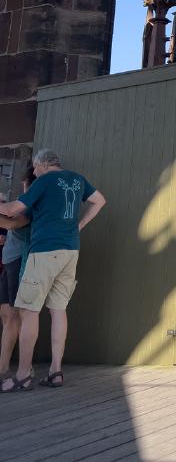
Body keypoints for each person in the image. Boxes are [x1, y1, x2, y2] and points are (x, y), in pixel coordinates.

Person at [0, 149, 106, 392]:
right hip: (70, 251)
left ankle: (23, 375)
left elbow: (12, 210)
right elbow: (100, 200)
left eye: (35, 167)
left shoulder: (45, 180)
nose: (34, 172)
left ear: (44, 164)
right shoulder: (78, 179)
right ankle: (55, 371)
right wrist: (79, 225)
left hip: (45, 251)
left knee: (29, 311)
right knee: (58, 310)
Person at [0, 166, 34, 382]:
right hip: (8, 262)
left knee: (14, 316)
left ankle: (21, 368)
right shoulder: (22, 203)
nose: (23, 190)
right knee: (6, 315)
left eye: (25, 185)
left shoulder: (32, 206)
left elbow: (13, 222)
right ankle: (3, 367)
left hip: (19, 262)